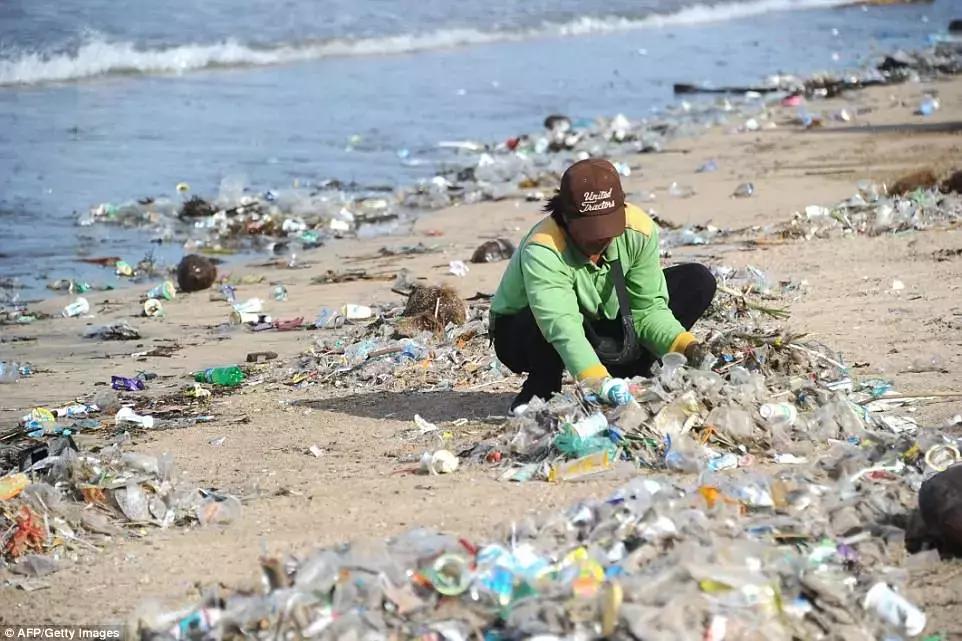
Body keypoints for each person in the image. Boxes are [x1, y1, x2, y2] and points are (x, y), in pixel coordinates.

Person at [490, 158, 716, 413]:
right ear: (565, 216)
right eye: (591, 230)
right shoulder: (544, 248)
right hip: (528, 332)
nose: (601, 238)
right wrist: (597, 383)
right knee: (540, 317)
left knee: (696, 281)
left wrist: (687, 347)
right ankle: (543, 385)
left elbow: (648, 310)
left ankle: (632, 369)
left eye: (609, 226)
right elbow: (562, 326)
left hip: (599, 321)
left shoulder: (638, 230)